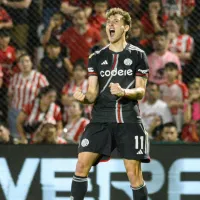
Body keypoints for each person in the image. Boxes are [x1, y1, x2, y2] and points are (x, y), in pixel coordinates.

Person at [71, 8, 150, 200]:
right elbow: (92, 93)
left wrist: (124, 92)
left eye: (116, 21)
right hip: (100, 119)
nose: (110, 25)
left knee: (134, 174)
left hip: (129, 119)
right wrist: (84, 98)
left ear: (126, 27)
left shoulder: (138, 55)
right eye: (108, 22)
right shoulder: (96, 57)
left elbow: (141, 91)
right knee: (81, 165)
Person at [8, 53, 49, 138]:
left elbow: (47, 95)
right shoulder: (14, 78)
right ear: (18, 65)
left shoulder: (39, 77)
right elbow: (10, 95)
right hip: (16, 111)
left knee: (31, 138)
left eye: (27, 61)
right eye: (21, 62)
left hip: (32, 113)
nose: (24, 64)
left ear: (31, 63)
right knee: (16, 138)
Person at [160, 62, 188, 133]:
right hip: (165, 113)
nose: (168, 73)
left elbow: (186, 103)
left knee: (178, 131)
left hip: (178, 113)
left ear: (177, 72)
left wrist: (176, 104)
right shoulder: (161, 86)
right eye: (166, 70)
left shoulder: (182, 86)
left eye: (171, 70)